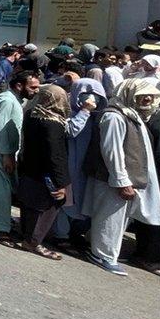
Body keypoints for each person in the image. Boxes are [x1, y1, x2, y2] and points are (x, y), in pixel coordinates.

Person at [83, 79, 160, 276]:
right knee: (110, 219)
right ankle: (102, 255)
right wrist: (121, 181)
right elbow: (112, 152)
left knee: (118, 220)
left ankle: (101, 249)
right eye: (142, 95)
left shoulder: (131, 114)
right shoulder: (114, 116)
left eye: (150, 95)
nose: (147, 99)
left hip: (127, 180)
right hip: (114, 181)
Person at [0, 71, 39, 245]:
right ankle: (0, 229)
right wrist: (6, 154)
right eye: (33, 87)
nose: (36, 91)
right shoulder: (6, 100)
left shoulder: (15, 100)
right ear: (19, 86)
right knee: (0, 192)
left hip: (5, 152)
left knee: (1, 190)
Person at [16, 84, 72, 260]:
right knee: (46, 210)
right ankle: (33, 242)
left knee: (29, 207)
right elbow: (56, 155)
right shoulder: (53, 123)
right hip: (47, 175)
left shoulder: (32, 114)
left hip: (30, 170)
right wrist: (62, 183)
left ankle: (27, 237)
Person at [56, 78, 107, 247]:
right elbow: (70, 131)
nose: (92, 98)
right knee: (67, 199)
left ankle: (75, 233)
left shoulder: (98, 117)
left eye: (96, 95)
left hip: (87, 166)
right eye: (87, 94)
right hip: (70, 164)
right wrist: (84, 111)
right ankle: (61, 235)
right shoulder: (67, 112)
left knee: (84, 199)